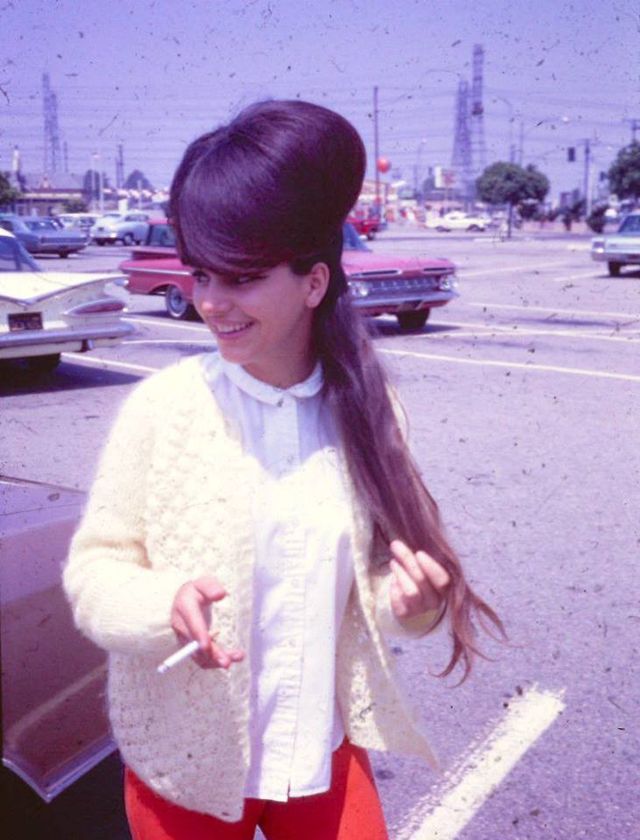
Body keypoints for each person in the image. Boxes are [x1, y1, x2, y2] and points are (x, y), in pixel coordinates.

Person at [63, 99, 503, 840]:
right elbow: (93, 573)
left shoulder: (370, 408)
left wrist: (415, 604)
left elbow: (381, 587)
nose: (210, 302)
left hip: (321, 755)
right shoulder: (163, 408)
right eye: (201, 274)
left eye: (240, 277)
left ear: (313, 282)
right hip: (188, 771)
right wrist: (164, 603)